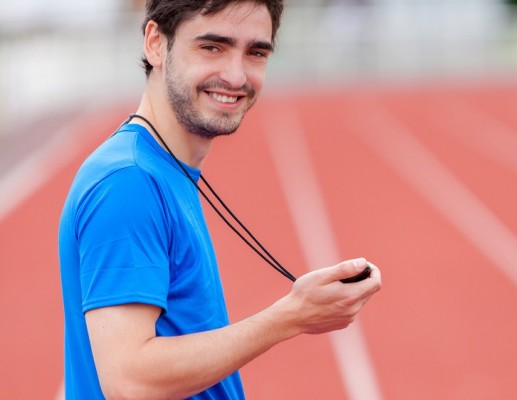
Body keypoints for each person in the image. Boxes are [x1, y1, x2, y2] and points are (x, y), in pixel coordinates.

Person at [58, 1, 381, 398]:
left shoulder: (163, 167)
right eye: (212, 47)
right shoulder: (129, 181)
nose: (235, 75)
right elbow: (130, 380)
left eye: (255, 53)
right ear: (156, 43)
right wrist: (292, 316)